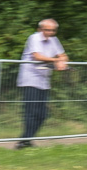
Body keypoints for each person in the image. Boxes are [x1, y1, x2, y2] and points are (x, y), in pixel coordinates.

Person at [15, 19, 68, 149]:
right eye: (47, 30)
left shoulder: (54, 40)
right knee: (31, 112)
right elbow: (37, 57)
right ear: (40, 29)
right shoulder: (34, 38)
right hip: (30, 79)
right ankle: (25, 141)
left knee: (43, 114)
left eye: (52, 30)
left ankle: (25, 140)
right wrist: (57, 60)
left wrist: (63, 61)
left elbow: (63, 55)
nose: (50, 32)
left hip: (44, 81)